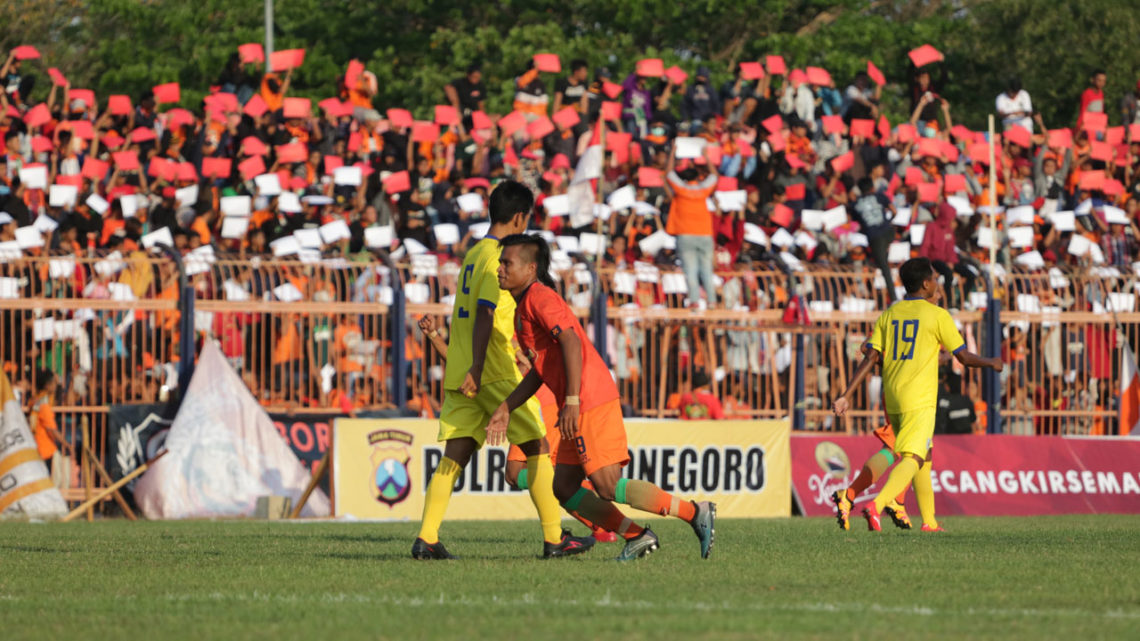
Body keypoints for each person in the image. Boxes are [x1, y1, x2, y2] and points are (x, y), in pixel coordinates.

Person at [488, 234, 716, 561]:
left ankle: (695, 512)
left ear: (529, 268)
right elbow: (539, 370)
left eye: (506, 263)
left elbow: (570, 341)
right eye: (500, 263)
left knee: (607, 485)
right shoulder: (522, 308)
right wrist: (506, 407)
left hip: (588, 398)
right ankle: (637, 535)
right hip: (576, 400)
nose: (499, 269)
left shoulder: (540, 298)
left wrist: (571, 401)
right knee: (564, 487)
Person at [411, 180, 594, 560]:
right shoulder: (500, 257)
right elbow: (485, 311)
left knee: (456, 454)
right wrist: (480, 367)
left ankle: (427, 537)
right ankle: (554, 538)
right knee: (537, 445)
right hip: (489, 368)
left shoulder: (474, 252)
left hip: (461, 367)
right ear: (519, 217)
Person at [416, 314, 617, 543]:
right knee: (516, 473)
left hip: (537, 400)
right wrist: (433, 336)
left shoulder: (511, 326)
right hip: (508, 399)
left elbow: (537, 362)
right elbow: (463, 366)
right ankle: (582, 521)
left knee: (537, 471)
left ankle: (595, 523)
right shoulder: (485, 332)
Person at [833, 258, 1001, 532]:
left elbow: (870, 354)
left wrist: (846, 395)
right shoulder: (937, 315)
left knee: (922, 454)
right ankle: (878, 504)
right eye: (935, 277)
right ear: (926, 283)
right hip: (919, 398)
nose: (938, 283)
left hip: (894, 396)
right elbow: (965, 357)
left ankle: (929, 522)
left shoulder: (891, 313)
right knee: (913, 457)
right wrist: (992, 362)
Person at [664, 142, 718, 309]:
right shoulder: (703, 190)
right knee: (706, 271)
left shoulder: (681, 189)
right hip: (705, 235)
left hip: (686, 235)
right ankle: (712, 301)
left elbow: (668, 173)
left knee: (691, 271)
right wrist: (706, 156)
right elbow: (715, 176)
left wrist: (673, 152)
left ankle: (694, 301)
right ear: (698, 178)